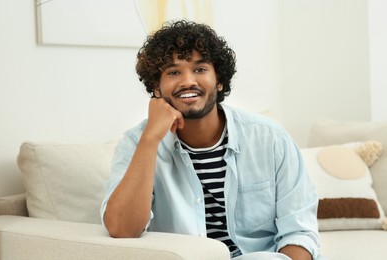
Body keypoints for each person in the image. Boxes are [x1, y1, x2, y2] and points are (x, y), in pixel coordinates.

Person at [101, 20, 320, 259]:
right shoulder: (136, 144)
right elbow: (122, 229)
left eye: (200, 69)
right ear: (156, 87)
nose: (187, 81)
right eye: (173, 72)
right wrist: (151, 138)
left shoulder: (270, 138)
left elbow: (299, 233)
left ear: (219, 80)